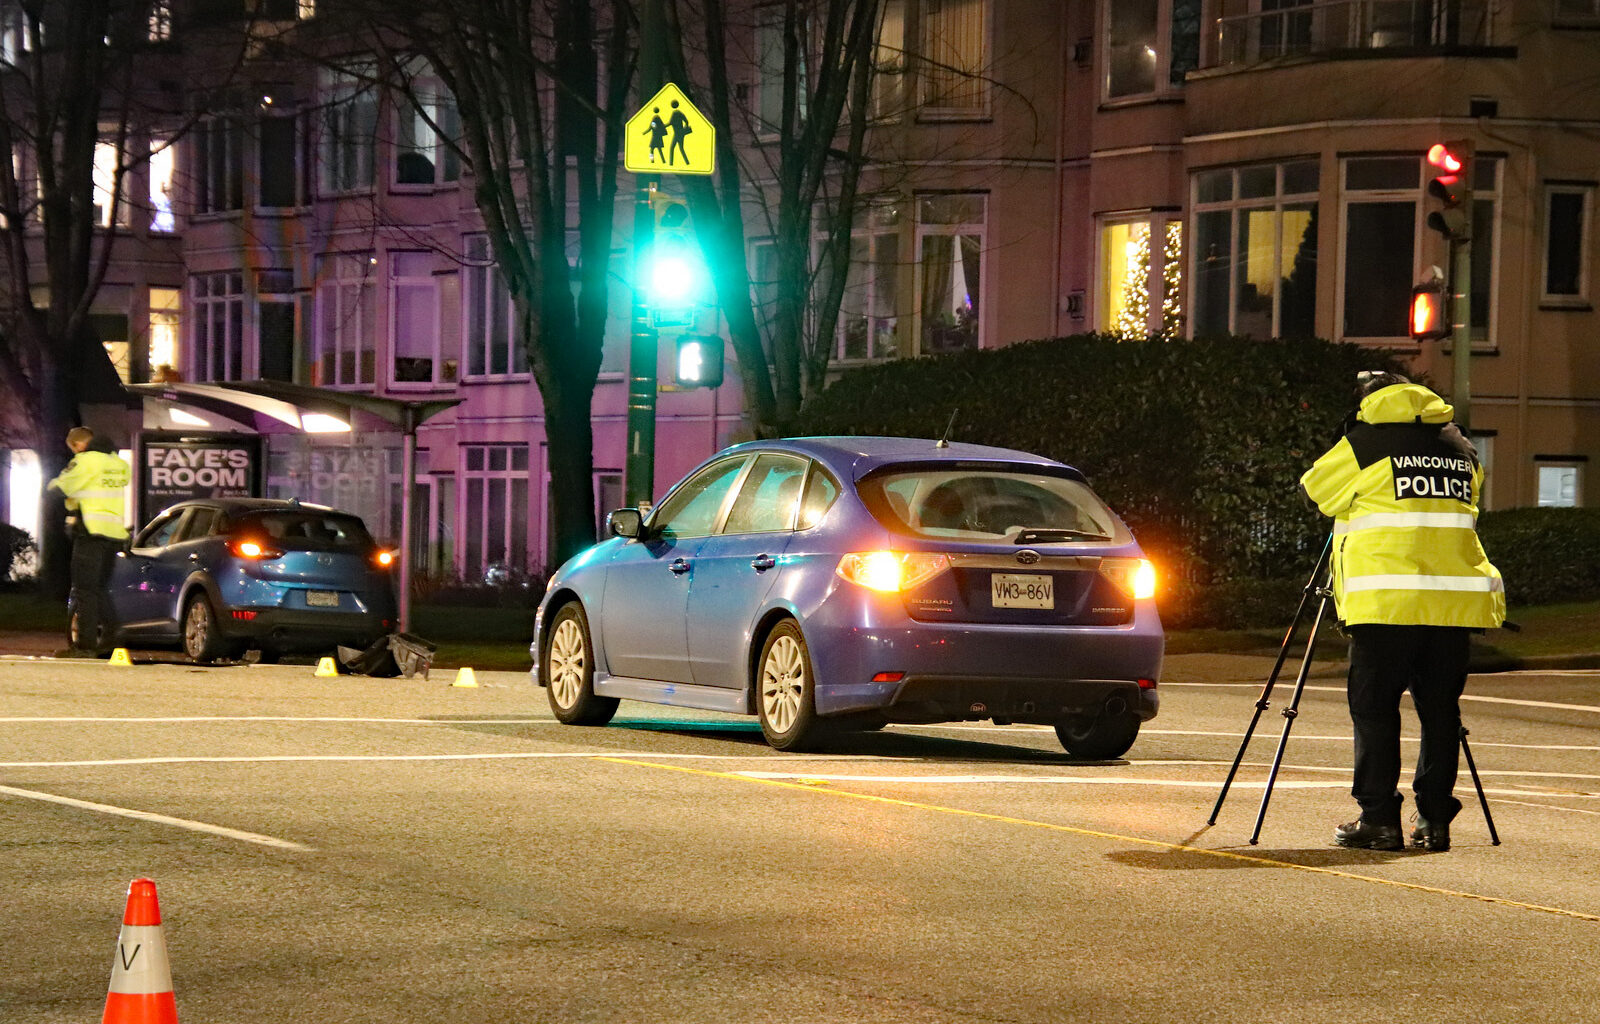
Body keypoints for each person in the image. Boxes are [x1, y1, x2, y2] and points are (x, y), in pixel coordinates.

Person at [1300, 372, 1505, 852]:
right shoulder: (1462, 449)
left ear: (1369, 403)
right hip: (1451, 603)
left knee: (1374, 710)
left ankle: (1378, 820)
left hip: (1385, 603)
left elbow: (1315, 491)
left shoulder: (1365, 442)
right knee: (1439, 712)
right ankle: (1435, 822)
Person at [46, 427, 132, 657]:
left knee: (84, 590)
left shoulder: (86, 462)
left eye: (73, 450)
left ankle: (85, 646)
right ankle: (110, 641)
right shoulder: (117, 463)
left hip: (91, 534)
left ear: (79, 445)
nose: (74, 455)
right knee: (99, 590)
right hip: (114, 535)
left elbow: (59, 487)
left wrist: (51, 488)